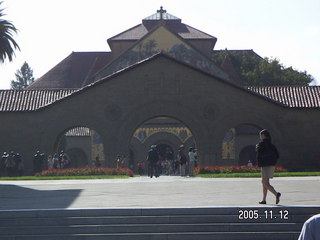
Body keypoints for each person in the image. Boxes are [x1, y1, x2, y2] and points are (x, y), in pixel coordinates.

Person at [256, 129, 281, 204]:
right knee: (265, 182)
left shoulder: (261, 144)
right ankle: (264, 199)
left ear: (263, 135)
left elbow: (259, 154)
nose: (260, 136)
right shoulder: (272, 145)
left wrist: (257, 148)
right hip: (271, 165)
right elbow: (277, 155)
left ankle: (276, 194)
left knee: (264, 183)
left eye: (261, 135)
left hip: (265, 165)